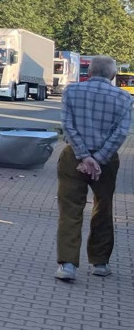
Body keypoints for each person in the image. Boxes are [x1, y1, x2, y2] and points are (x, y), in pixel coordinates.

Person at [56, 55, 131, 282]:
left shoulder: (71, 91)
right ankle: (100, 263)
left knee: (70, 208)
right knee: (103, 207)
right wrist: (98, 158)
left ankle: (67, 265)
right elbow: (120, 133)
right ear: (113, 75)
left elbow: (67, 124)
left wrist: (84, 156)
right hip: (106, 162)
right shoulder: (124, 98)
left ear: (88, 72)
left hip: (73, 158)